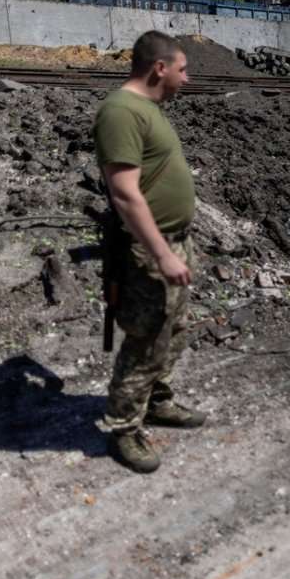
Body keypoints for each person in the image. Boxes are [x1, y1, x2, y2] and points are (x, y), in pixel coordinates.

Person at [93, 30, 206, 474]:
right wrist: (161, 254)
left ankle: (156, 401)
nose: (187, 78)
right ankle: (124, 427)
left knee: (172, 331)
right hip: (149, 250)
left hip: (176, 240)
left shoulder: (148, 108)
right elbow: (124, 195)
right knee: (145, 341)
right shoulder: (121, 112)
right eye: (183, 69)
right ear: (160, 68)